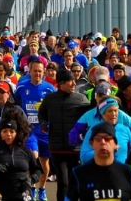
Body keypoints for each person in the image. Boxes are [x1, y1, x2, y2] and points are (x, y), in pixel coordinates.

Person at [37, 69, 90, 199]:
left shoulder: (81, 98)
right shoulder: (50, 99)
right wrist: (44, 124)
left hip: (75, 148)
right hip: (57, 148)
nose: (73, 84)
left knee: (74, 181)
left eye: (74, 80)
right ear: (61, 83)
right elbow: (41, 113)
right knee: (63, 182)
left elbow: (89, 118)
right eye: (70, 81)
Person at [64, 123, 131, 201]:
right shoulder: (79, 173)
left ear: (115, 144)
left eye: (107, 138)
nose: (103, 142)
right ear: (91, 144)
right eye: (98, 139)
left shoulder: (128, 173)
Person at [14, 58, 57, 201]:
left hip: (44, 132)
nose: (37, 74)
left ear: (43, 72)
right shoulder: (21, 87)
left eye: (40, 71)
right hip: (29, 131)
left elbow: (53, 109)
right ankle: (31, 187)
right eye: (35, 71)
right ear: (30, 71)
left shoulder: (50, 88)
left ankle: (42, 189)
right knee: (32, 158)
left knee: (44, 163)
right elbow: (16, 106)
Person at [0, 119, 41, 201]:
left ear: (16, 133)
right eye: (5, 131)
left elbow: (37, 170)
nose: (8, 134)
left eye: (12, 131)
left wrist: (31, 180)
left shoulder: (26, 150)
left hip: (23, 194)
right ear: (0, 134)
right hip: (0, 195)